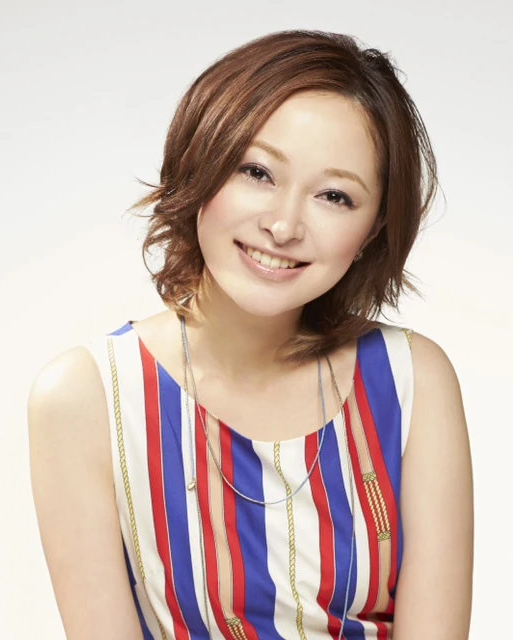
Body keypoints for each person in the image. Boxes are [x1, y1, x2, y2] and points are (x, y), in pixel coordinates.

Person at [28, 30, 474, 640]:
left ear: (372, 229)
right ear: (200, 162)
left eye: (335, 195)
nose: (284, 225)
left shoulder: (410, 379)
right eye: (257, 171)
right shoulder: (88, 395)